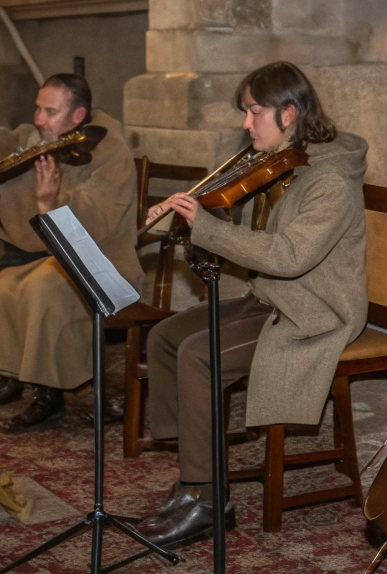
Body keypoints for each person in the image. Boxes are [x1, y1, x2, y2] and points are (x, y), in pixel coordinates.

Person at [133, 61, 368, 547]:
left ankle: (210, 502)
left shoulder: (331, 182)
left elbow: (289, 256)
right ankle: (194, 474)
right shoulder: (281, 160)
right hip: (272, 297)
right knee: (164, 338)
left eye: (253, 112)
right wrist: (186, 214)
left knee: (199, 355)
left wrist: (208, 227)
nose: (245, 124)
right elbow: (243, 223)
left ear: (289, 113)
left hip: (314, 311)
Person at [0, 73, 141, 430]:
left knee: (43, 286)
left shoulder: (110, 150)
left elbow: (98, 216)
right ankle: (15, 374)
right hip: (48, 251)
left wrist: (51, 200)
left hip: (98, 256)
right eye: (38, 108)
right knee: (4, 283)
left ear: (78, 117)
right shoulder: (38, 136)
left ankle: (49, 394)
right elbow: (1, 140)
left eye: (50, 111)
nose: (39, 119)